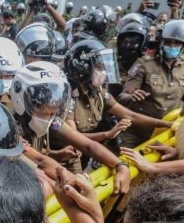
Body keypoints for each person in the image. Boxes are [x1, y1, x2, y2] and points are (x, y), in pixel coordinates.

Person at [12, 61, 141, 193]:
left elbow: (88, 145)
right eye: (44, 113)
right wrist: (74, 180)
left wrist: (120, 165)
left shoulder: (52, 121)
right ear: (22, 100)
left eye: (53, 113)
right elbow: (41, 160)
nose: (49, 117)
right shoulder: (11, 128)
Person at [118, 19, 184, 147]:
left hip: (164, 133)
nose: (172, 46)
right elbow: (123, 95)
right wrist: (131, 96)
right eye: (168, 42)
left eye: (177, 43)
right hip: (136, 131)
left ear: (183, 46)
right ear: (161, 42)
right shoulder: (144, 64)